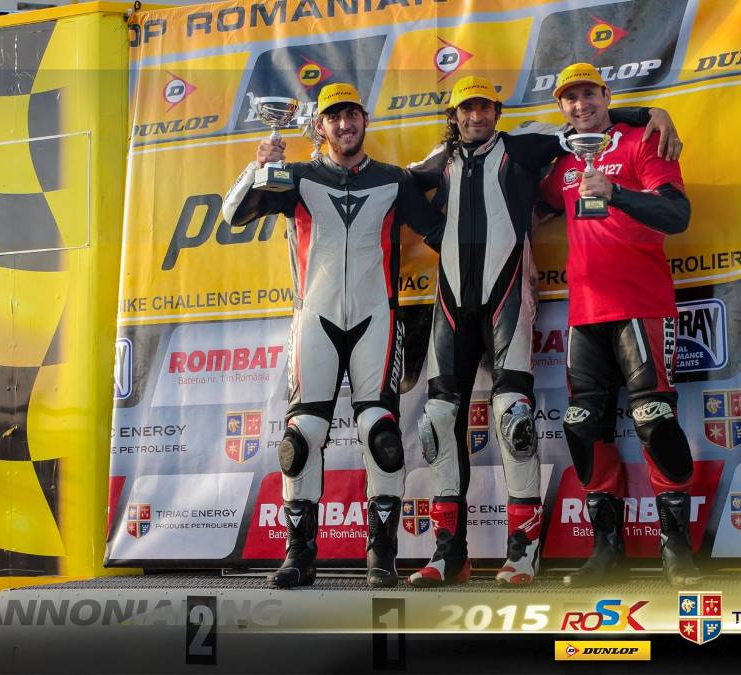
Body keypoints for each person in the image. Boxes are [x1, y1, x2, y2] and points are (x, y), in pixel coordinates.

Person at [406, 75, 682, 587]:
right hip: (451, 304)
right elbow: (399, 186)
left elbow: (588, 129)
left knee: (514, 415)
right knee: (439, 419)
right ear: (455, 114)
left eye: (485, 107)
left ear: (497, 111)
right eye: (467, 108)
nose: (476, 116)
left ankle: (523, 552)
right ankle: (449, 553)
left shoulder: (524, 146)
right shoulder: (439, 159)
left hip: (512, 296)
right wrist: (433, 230)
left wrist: (649, 115)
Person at [221, 83, 442, 589]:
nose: (345, 125)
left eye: (352, 115)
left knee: (383, 437)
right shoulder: (296, 177)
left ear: (365, 120)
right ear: (319, 126)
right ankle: (299, 555)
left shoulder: (394, 180)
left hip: (377, 319)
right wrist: (258, 167)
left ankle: (381, 554)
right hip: (313, 321)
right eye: (334, 117)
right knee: (299, 441)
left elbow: (440, 235)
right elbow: (234, 215)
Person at [538, 63, 702, 587]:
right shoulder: (562, 159)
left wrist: (616, 192)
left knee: (654, 418)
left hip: (641, 304)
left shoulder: (644, 141)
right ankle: (606, 550)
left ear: (606, 96)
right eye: (570, 98)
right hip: (585, 313)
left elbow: (677, 215)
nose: (580, 104)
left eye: (589, 93)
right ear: (561, 107)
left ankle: (676, 548)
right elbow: (532, 202)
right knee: (582, 425)